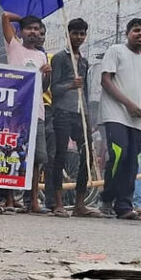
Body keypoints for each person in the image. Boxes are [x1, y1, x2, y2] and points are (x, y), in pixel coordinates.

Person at [99, 18, 141, 220]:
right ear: (127, 33)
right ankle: (107, 197)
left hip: (137, 120)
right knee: (118, 156)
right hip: (116, 114)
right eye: (136, 30)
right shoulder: (116, 51)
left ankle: (124, 205)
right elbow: (106, 81)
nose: (140, 34)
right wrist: (128, 104)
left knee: (132, 161)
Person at [50, 17, 102, 218]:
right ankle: (58, 202)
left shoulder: (84, 61)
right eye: (75, 33)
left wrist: (90, 116)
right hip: (62, 112)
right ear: (68, 34)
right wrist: (70, 85)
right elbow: (54, 89)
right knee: (60, 156)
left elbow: (86, 92)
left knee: (87, 155)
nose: (79, 37)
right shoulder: (60, 58)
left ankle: (80, 203)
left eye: (82, 34)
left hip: (81, 113)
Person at [1, 12, 52, 214]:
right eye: (29, 28)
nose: (33, 32)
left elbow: (44, 87)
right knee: (13, 155)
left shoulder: (42, 55)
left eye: (37, 29)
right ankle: (10, 199)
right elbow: (5, 16)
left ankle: (33, 201)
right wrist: (24, 17)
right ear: (21, 31)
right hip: (15, 111)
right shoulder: (14, 46)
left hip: (37, 111)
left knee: (37, 157)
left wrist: (47, 74)